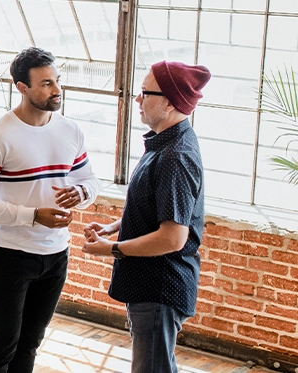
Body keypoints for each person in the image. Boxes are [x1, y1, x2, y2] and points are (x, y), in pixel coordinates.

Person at [0, 47, 99, 372]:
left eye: (57, 81)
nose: (56, 90)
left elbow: (90, 180)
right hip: (10, 256)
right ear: (22, 87)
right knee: (0, 347)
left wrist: (80, 192)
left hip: (56, 256)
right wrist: (32, 215)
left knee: (30, 345)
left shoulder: (70, 130)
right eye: (46, 84)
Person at [83, 61, 210, 373]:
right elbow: (156, 208)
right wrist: (115, 228)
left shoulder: (174, 156)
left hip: (159, 286)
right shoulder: (165, 141)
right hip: (151, 284)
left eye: (144, 93)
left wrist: (110, 249)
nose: (137, 99)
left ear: (168, 101)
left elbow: (172, 237)